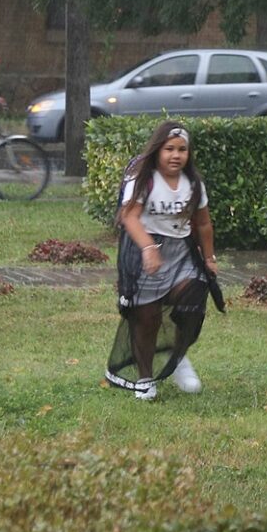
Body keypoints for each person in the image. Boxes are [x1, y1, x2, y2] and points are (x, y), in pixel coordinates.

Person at [104, 121, 218, 400]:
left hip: (181, 251)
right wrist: (147, 248)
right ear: (157, 150)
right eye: (169, 149)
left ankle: (177, 359)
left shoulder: (193, 183)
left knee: (192, 299)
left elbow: (203, 223)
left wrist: (210, 256)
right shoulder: (143, 179)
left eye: (182, 149)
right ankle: (145, 379)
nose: (176, 155)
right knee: (147, 316)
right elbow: (128, 216)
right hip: (144, 247)